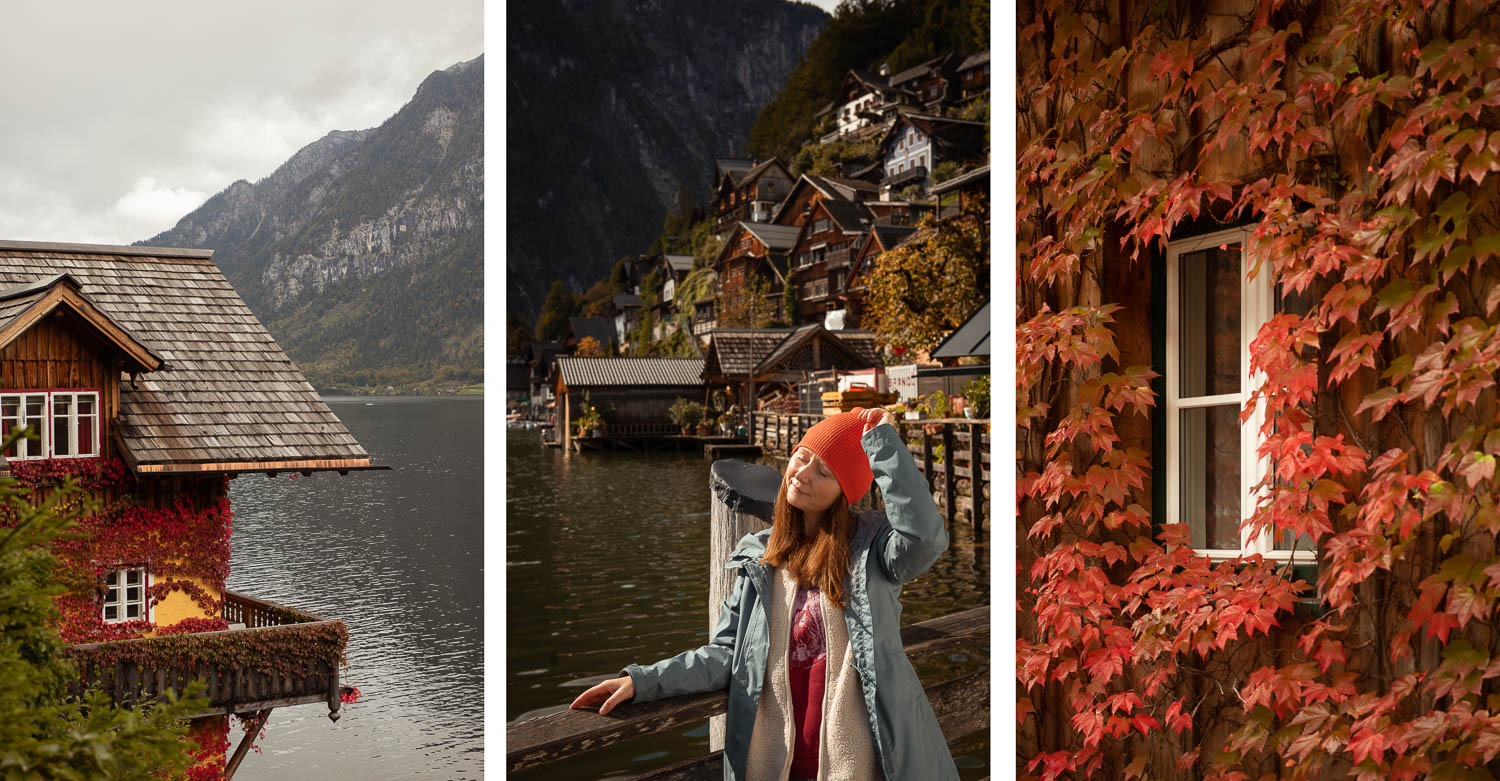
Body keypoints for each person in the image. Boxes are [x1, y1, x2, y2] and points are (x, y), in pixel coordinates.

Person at [570, 407, 959, 781]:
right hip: (775, 761)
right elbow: (726, 654)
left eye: (823, 471)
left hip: (857, 762)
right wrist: (643, 682)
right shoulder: (761, 557)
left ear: (844, 492)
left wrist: (882, 443)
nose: (802, 474)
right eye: (801, 457)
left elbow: (924, 537)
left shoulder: (872, 551)